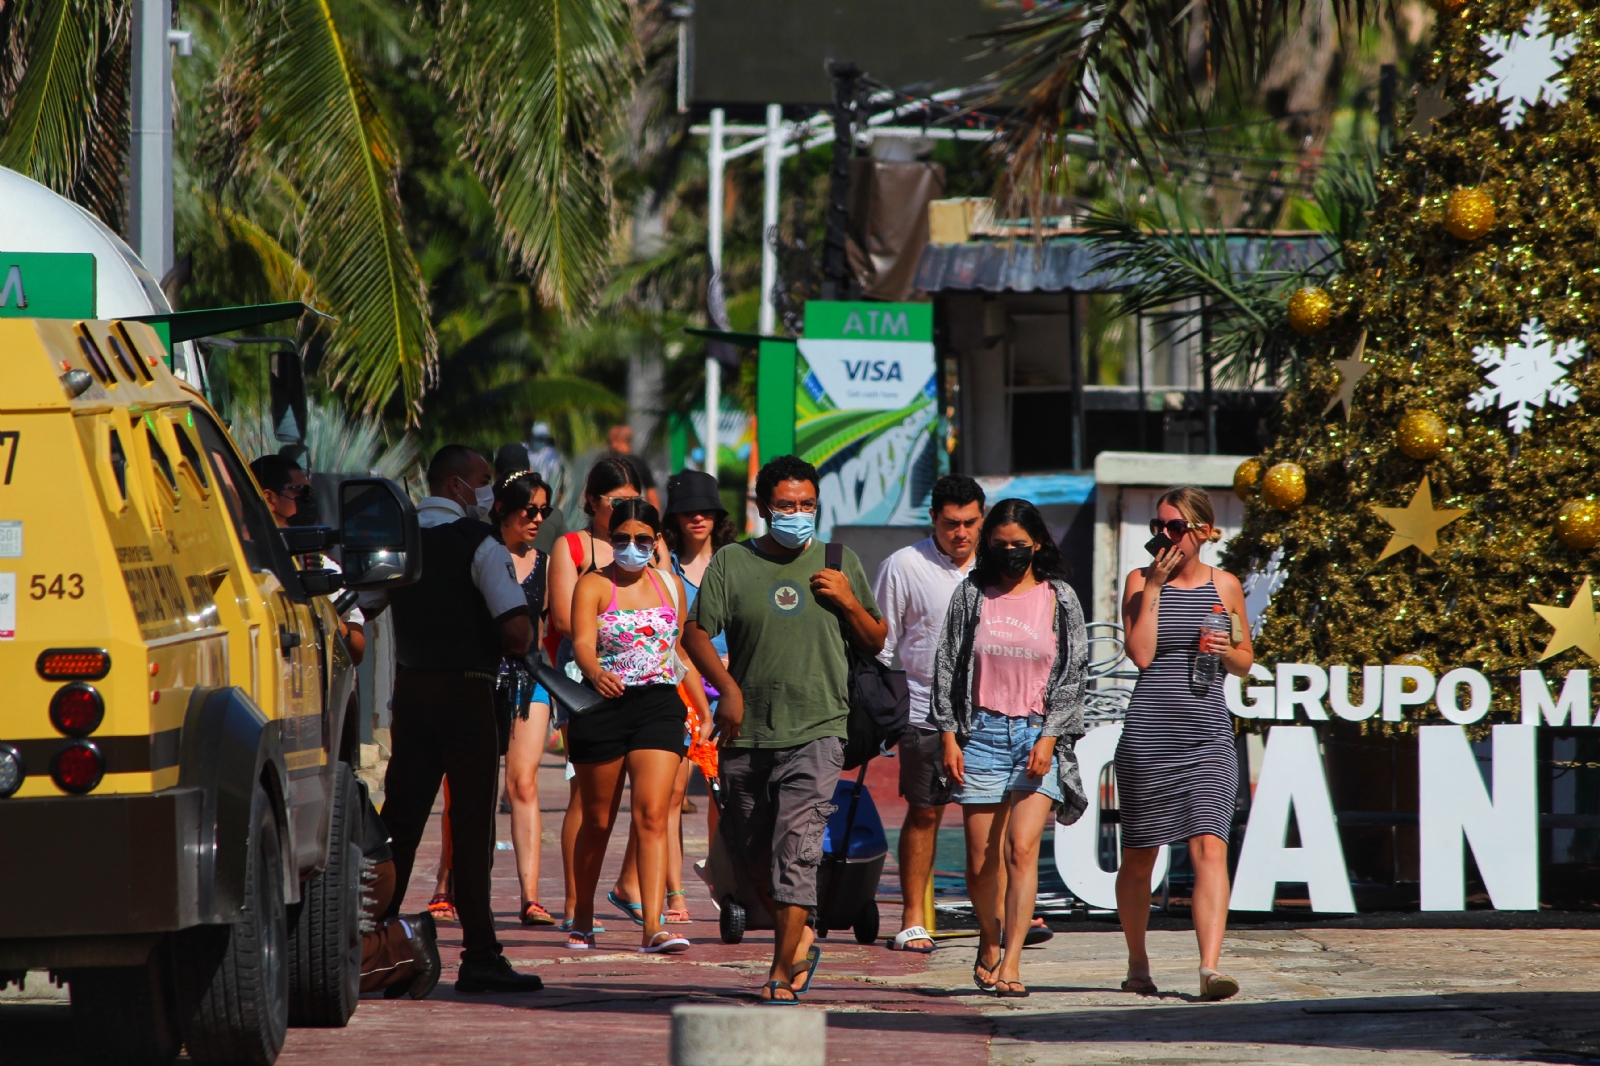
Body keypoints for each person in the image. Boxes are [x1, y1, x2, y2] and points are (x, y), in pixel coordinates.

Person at [683, 455, 886, 1004]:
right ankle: (800, 936)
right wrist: (727, 689)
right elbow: (696, 633)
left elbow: (874, 639)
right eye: (786, 506)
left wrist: (846, 600)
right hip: (747, 734)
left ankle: (778, 970)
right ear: (763, 508)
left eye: (807, 505)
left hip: (819, 728)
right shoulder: (732, 562)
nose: (798, 514)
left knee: (796, 850)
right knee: (752, 853)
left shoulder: (839, 561)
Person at [379, 445, 544, 994]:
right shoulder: (480, 544)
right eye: (482, 480)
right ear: (454, 485)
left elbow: (360, 603)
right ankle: (480, 956)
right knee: (472, 828)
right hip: (468, 695)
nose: (489, 491)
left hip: (412, 692)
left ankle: (367, 939)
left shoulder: (400, 540)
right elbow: (516, 631)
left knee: (399, 822)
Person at [930, 498, 1088, 999]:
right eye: (1000, 546)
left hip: (1036, 735)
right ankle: (988, 935)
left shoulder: (1059, 597)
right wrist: (948, 735)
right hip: (979, 734)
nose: (1011, 554)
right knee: (981, 863)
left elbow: (1072, 673)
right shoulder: (971, 595)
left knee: (1022, 851)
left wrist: (1050, 737)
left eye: (1020, 546)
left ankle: (1013, 962)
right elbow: (948, 665)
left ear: (1037, 544)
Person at [1117, 486, 1253, 1001]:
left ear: (1202, 531)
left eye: (1175, 527)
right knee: (1140, 856)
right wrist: (1152, 587)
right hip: (1150, 734)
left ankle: (1209, 968)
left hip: (1208, 733)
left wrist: (1226, 650)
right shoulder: (1139, 580)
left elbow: (1246, 659)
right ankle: (1137, 961)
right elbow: (1143, 655)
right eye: (1159, 527)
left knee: (1209, 848)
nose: (1165, 537)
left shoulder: (1226, 586)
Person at [567, 498, 700, 953]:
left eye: (642, 539)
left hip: (659, 705)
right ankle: (582, 914)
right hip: (603, 706)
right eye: (622, 538)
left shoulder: (669, 585)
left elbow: (678, 652)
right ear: (610, 539)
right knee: (599, 820)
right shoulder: (593, 585)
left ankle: (652, 928)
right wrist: (594, 670)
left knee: (652, 814)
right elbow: (582, 641)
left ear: (656, 541)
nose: (631, 547)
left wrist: (705, 705)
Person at [610, 469, 731, 923]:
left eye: (706, 510)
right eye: (687, 511)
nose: (698, 518)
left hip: (730, 692)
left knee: (726, 798)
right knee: (672, 796)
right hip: (680, 688)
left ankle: (725, 883)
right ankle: (674, 894)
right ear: (674, 521)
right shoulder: (664, 572)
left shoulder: (733, 561)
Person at [873, 474, 985, 952]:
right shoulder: (902, 566)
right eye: (951, 524)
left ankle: (996, 910)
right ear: (933, 519)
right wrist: (881, 714)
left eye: (971, 523)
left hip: (991, 714)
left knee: (992, 818)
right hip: (924, 713)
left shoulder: (1000, 565)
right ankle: (914, 916)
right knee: (924, 814)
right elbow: (880, 645)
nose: (961, 533)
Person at [546, 456, 644, 930]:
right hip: (583, 680)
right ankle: (573, 904)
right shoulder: (573, 546)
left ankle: (632, 889)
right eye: (617, 502)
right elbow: (564, 619)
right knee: (584, 799)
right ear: (592, 502)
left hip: (642, 681)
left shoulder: (647, 546)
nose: (626, 510)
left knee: (645, 796)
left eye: (633, 501)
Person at [490, 470, 558, 926]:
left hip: (529, 679)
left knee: (523, 783)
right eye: (528, 510)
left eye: (544, 511)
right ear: (503, 508)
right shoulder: (482, 556)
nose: (536, 519)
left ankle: (530, 896)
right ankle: (446, 886)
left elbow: (553, 629)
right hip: (481, 677)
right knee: (466, 790)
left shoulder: (546, 564)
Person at [250, 454, 365, 665]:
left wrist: (341, 629)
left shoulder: (317, 562)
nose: (309, 501)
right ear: (269, 498)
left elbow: (357, 649)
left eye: (310, 492)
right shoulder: (243, 557)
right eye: (301, 492)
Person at [356, 787, 442, 999]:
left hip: (365, 872)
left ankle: (406, 945)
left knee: (299, 976)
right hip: (361, 866)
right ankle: (395, 944)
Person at [605, 424, 661, 510]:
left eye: (609, 441)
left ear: (617, 441)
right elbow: (653, 498)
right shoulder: (640, 464)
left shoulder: (607, 463)